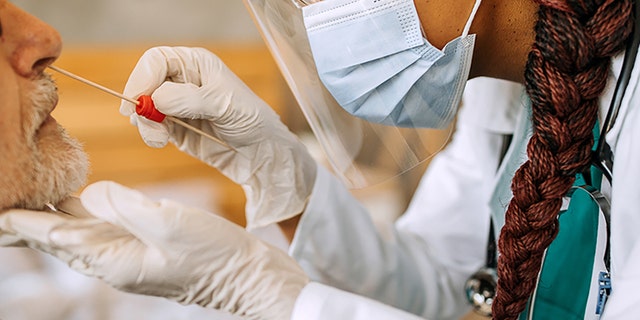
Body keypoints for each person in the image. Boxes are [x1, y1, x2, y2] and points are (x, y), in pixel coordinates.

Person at [1, 0, 638, 320]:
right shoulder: (503, 101)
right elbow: (452, 293)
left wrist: (270, 295)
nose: (45, 39)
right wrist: (281, 179)